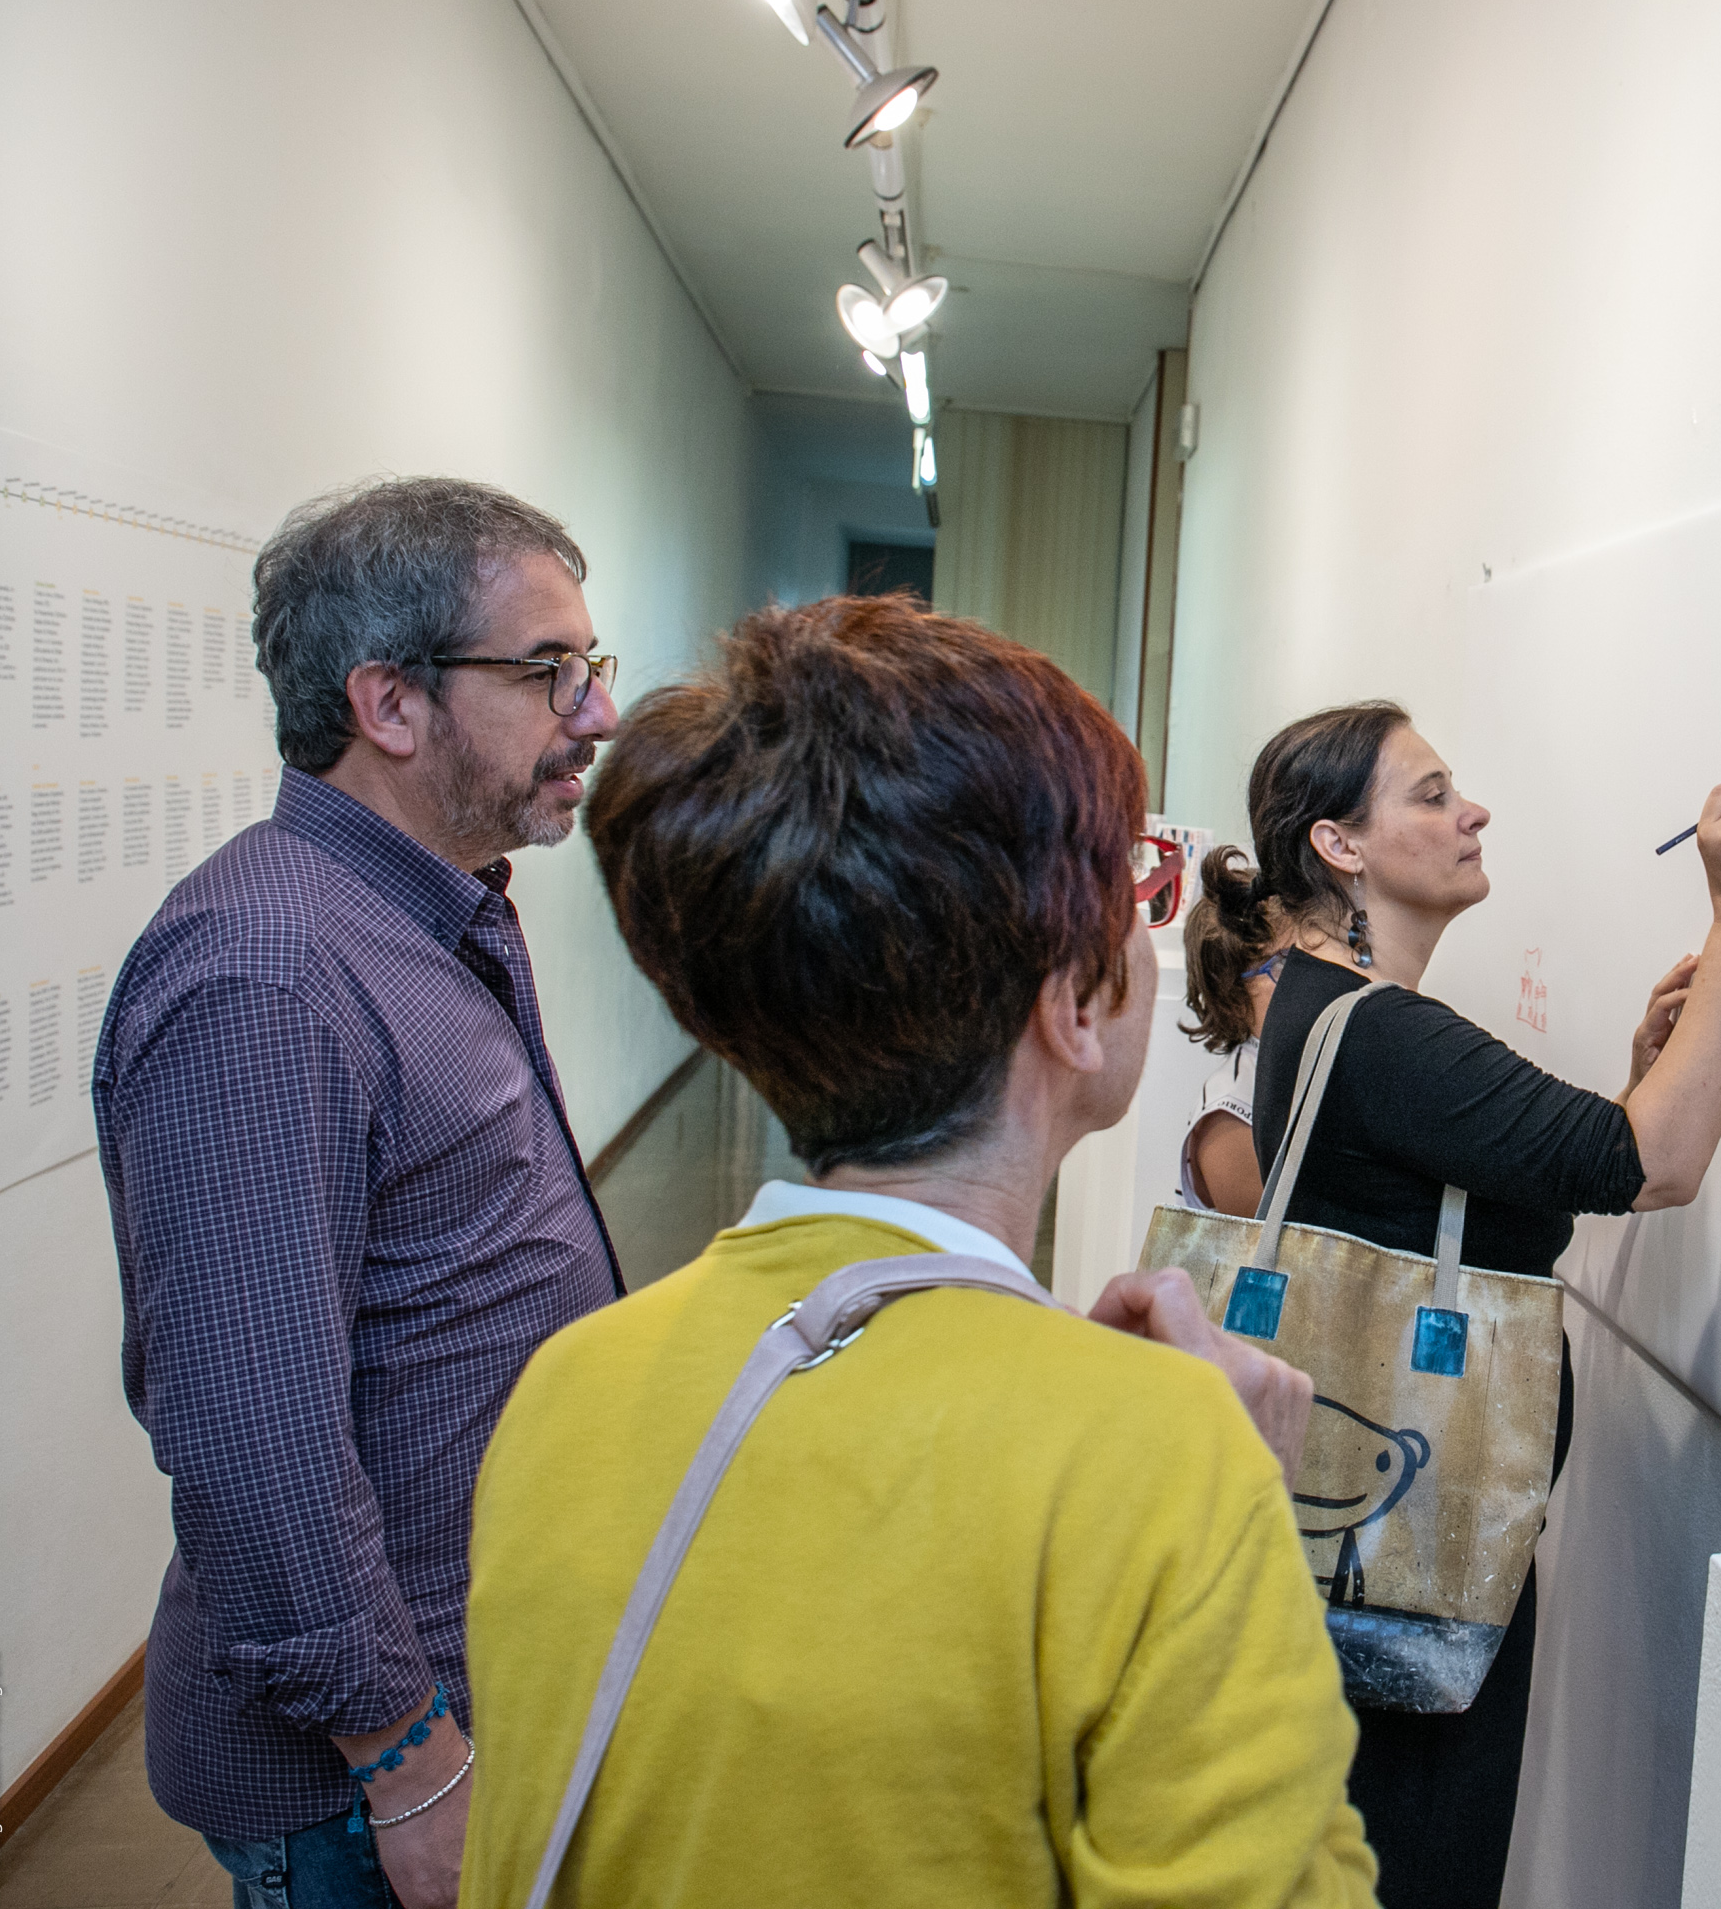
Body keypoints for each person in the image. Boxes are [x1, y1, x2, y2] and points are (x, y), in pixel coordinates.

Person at [453, 598, 1376, 1907]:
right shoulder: (1162, 1459)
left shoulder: (569, 1386)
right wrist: (1240, 1504)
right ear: (1074, 1000)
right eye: (1129, 883)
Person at [95, 478, 630, 1909]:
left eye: (591, 664)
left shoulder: (424, 911)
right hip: (366, 1783)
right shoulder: (268, 975)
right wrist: (409, 1761)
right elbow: (252, 1441)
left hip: (470, 1698)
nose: (596, 712)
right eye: (547, 670)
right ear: (390, 703)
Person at [1238, 701, 1721, 1908]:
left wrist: (1643, 1079)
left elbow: (1512, 1181)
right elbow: (1656, 1165)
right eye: (1432, 795)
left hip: (1369, 1561)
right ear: (1340, 844)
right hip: (1412, 1573)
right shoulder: (1382, 1036)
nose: (1471, 812)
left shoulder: (1316, 1007)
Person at [1176, 845, 1292, 1214]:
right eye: (1284, 964)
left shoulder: (1296, 1064)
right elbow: (1279, 1236)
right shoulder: (1230, 1113)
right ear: (1232, 996)